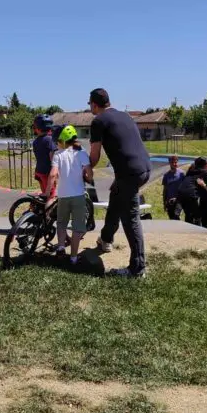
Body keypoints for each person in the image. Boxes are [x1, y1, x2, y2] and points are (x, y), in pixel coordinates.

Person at [88, 88, 151, 278]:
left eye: (89, 104)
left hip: (129, 173)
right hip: (145, 167)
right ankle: (106, 239)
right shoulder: (124, 116)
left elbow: (95, 156)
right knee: (116, 198)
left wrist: (85, 167)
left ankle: (137, 268)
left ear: (94, 104)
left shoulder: (98, 121)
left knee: (130, 218)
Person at [46, 125, 93, 263]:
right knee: (77, 227)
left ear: (63, 140)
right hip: (78, 195)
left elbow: (53, 174)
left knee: (61, 223)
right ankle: (73, 257)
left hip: (62, 196)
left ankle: (61, 247)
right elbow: (89, 171)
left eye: (58, 141)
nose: (57, 143)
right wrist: (88, 178)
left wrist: (47, 191)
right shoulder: (81, 152)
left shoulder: (58, 154)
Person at [178, 157, 207, 230]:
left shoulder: (194, 173)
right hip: (201, 202)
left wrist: (204, 184)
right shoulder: (202, 173)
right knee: (202, 221)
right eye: (206, 166)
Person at [31, 114, 56, 198]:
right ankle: (48, 210)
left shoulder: (35, 141)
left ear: (37, 129)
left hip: (39, 172)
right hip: (47, 174)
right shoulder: (50, 140)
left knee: (45, 195)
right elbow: (52, 159)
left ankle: (42, 210)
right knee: (50, 197)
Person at [161, 155, 185, 220]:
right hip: (169, 201)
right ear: (169, 163)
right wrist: (164, 203)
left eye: (176, 162)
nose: (175, 164)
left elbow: (185, 188)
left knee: (176, 216)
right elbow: (165, 190)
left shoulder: (182, 174)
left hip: (179, 201)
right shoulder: (166, 175)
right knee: (171, 219)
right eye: (173, 162)